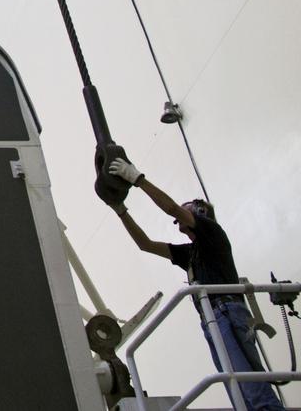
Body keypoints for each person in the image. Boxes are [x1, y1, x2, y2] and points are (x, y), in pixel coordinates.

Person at [107, 159, 284, 411]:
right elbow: (145, 244)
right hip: (212, 319)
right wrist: (121, 210)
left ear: (200, 213)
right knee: (239, 391)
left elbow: (170, 209)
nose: (180, 216)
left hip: (227, 313)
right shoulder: (191, 253)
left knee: (252, 389)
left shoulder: (212, 233)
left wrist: (139, 179)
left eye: (186, 211)